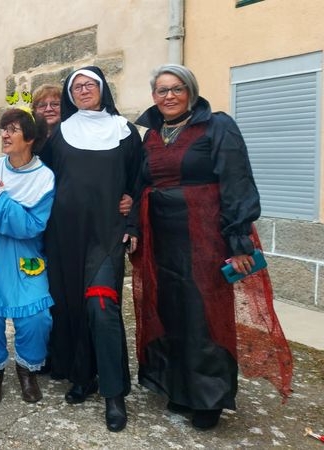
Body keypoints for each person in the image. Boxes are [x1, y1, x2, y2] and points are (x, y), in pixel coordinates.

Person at [130, 64, 293, 430]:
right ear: (153, 96)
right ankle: (178, 385)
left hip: (205, 234)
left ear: (191, 90)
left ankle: (208, 397)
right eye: (161, 90)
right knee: (169, 309)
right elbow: (141, 183)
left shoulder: (217, 126)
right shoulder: (153, 135)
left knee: (203, 313)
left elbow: (237, 182)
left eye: (176, 89)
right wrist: (131, 221)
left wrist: (239, 243)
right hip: (160, 237)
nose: (168, 96)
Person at [40, 66, 143, 432]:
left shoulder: (125, 132)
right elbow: (42, 179)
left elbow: (138, 182)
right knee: (69, 307)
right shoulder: (59, 134)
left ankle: (114, 394)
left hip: (106, 234)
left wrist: (131, 219)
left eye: (90, 85)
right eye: (77, 86)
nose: (84, 90)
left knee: (101, 308)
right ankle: (83, 376)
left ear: (102, 89)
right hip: (64, 236)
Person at [0, 107, 54, 404]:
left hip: (25, 258)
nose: (4, 135)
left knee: (37, 318)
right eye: (3, 129)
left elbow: (33, 226)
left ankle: (26, 371)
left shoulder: (44, 178)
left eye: (12, 130)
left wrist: (0, 198)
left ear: (30, 138)